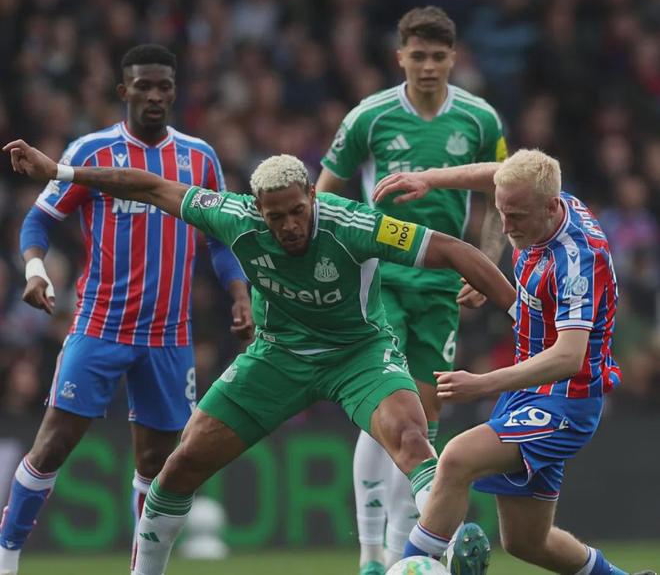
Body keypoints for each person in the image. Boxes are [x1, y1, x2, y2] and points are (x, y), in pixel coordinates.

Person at [3, 140, 518, 575]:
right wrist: (62, 172)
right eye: (276, 217)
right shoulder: (233, 216)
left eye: (297, 211)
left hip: (359, 355)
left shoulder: (355, 223)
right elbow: (149, 186)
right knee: (180, 466)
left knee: (410, 437)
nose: (289, 225)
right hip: (277, 356)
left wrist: (520, 313)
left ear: (312, 195)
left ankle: (447, 547)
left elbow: (452, 250)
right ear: (257, 209)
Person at [0, 45, 253, 575]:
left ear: (174, 91)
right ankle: (6, 557)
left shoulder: (200, 158)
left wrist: (239, 293)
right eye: (144, 86)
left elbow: (221, 238)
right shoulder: (91, 151)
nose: (155, 95)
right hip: (100, 326)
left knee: (157, 466)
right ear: (124, 91)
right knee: (52, 445)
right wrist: (36, 270)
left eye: (164, 86)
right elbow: (38, 220)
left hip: (169, 336)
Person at [373, 150, 656, 575]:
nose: (506, 226)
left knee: (456, 458)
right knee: (526, 541)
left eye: (517, 216)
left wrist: (481, 384)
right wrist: (430, 178)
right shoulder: (546, 198)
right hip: (529, 389)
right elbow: (497, 175)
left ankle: (409, 566)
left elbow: (569, 357)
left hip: (566, 400)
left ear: (549, 206)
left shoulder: (577, 261)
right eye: (502, 211)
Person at [316, 6, 508, 573]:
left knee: (424, 416)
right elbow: (324, 194)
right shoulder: (369, 116)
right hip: (383, 279)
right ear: (400, 56)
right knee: (388, 404)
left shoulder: (480, 119)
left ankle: (406, 555)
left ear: (453, 58)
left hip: (441, 285)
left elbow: (502, 191)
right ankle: (370, 555)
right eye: (418, 55)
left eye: (438, 56)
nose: (427, 66)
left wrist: (485, 262)